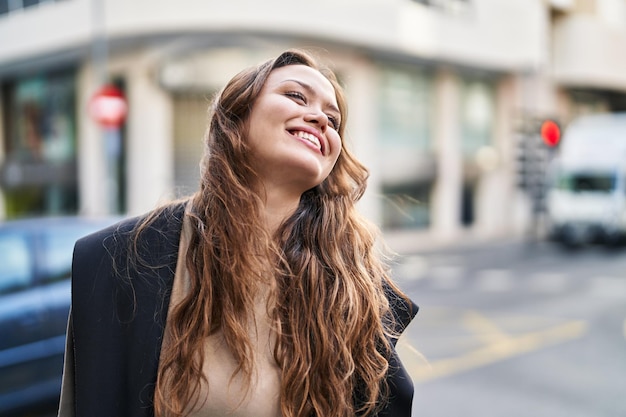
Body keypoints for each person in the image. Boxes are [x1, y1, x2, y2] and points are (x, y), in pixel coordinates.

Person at [58, 49, 417, 417]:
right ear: (235, 117)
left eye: (333, 119)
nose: (320, 120)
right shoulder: (117, 262)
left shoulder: (354, 287)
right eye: (295, 96)